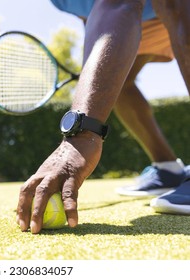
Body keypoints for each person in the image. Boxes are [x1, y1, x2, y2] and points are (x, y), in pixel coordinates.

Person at [16, 0, 190, 234]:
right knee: (115, 83)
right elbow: (98, 23)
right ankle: (168, 167)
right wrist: (96, 76)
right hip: (140, 18)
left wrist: (80, 136)